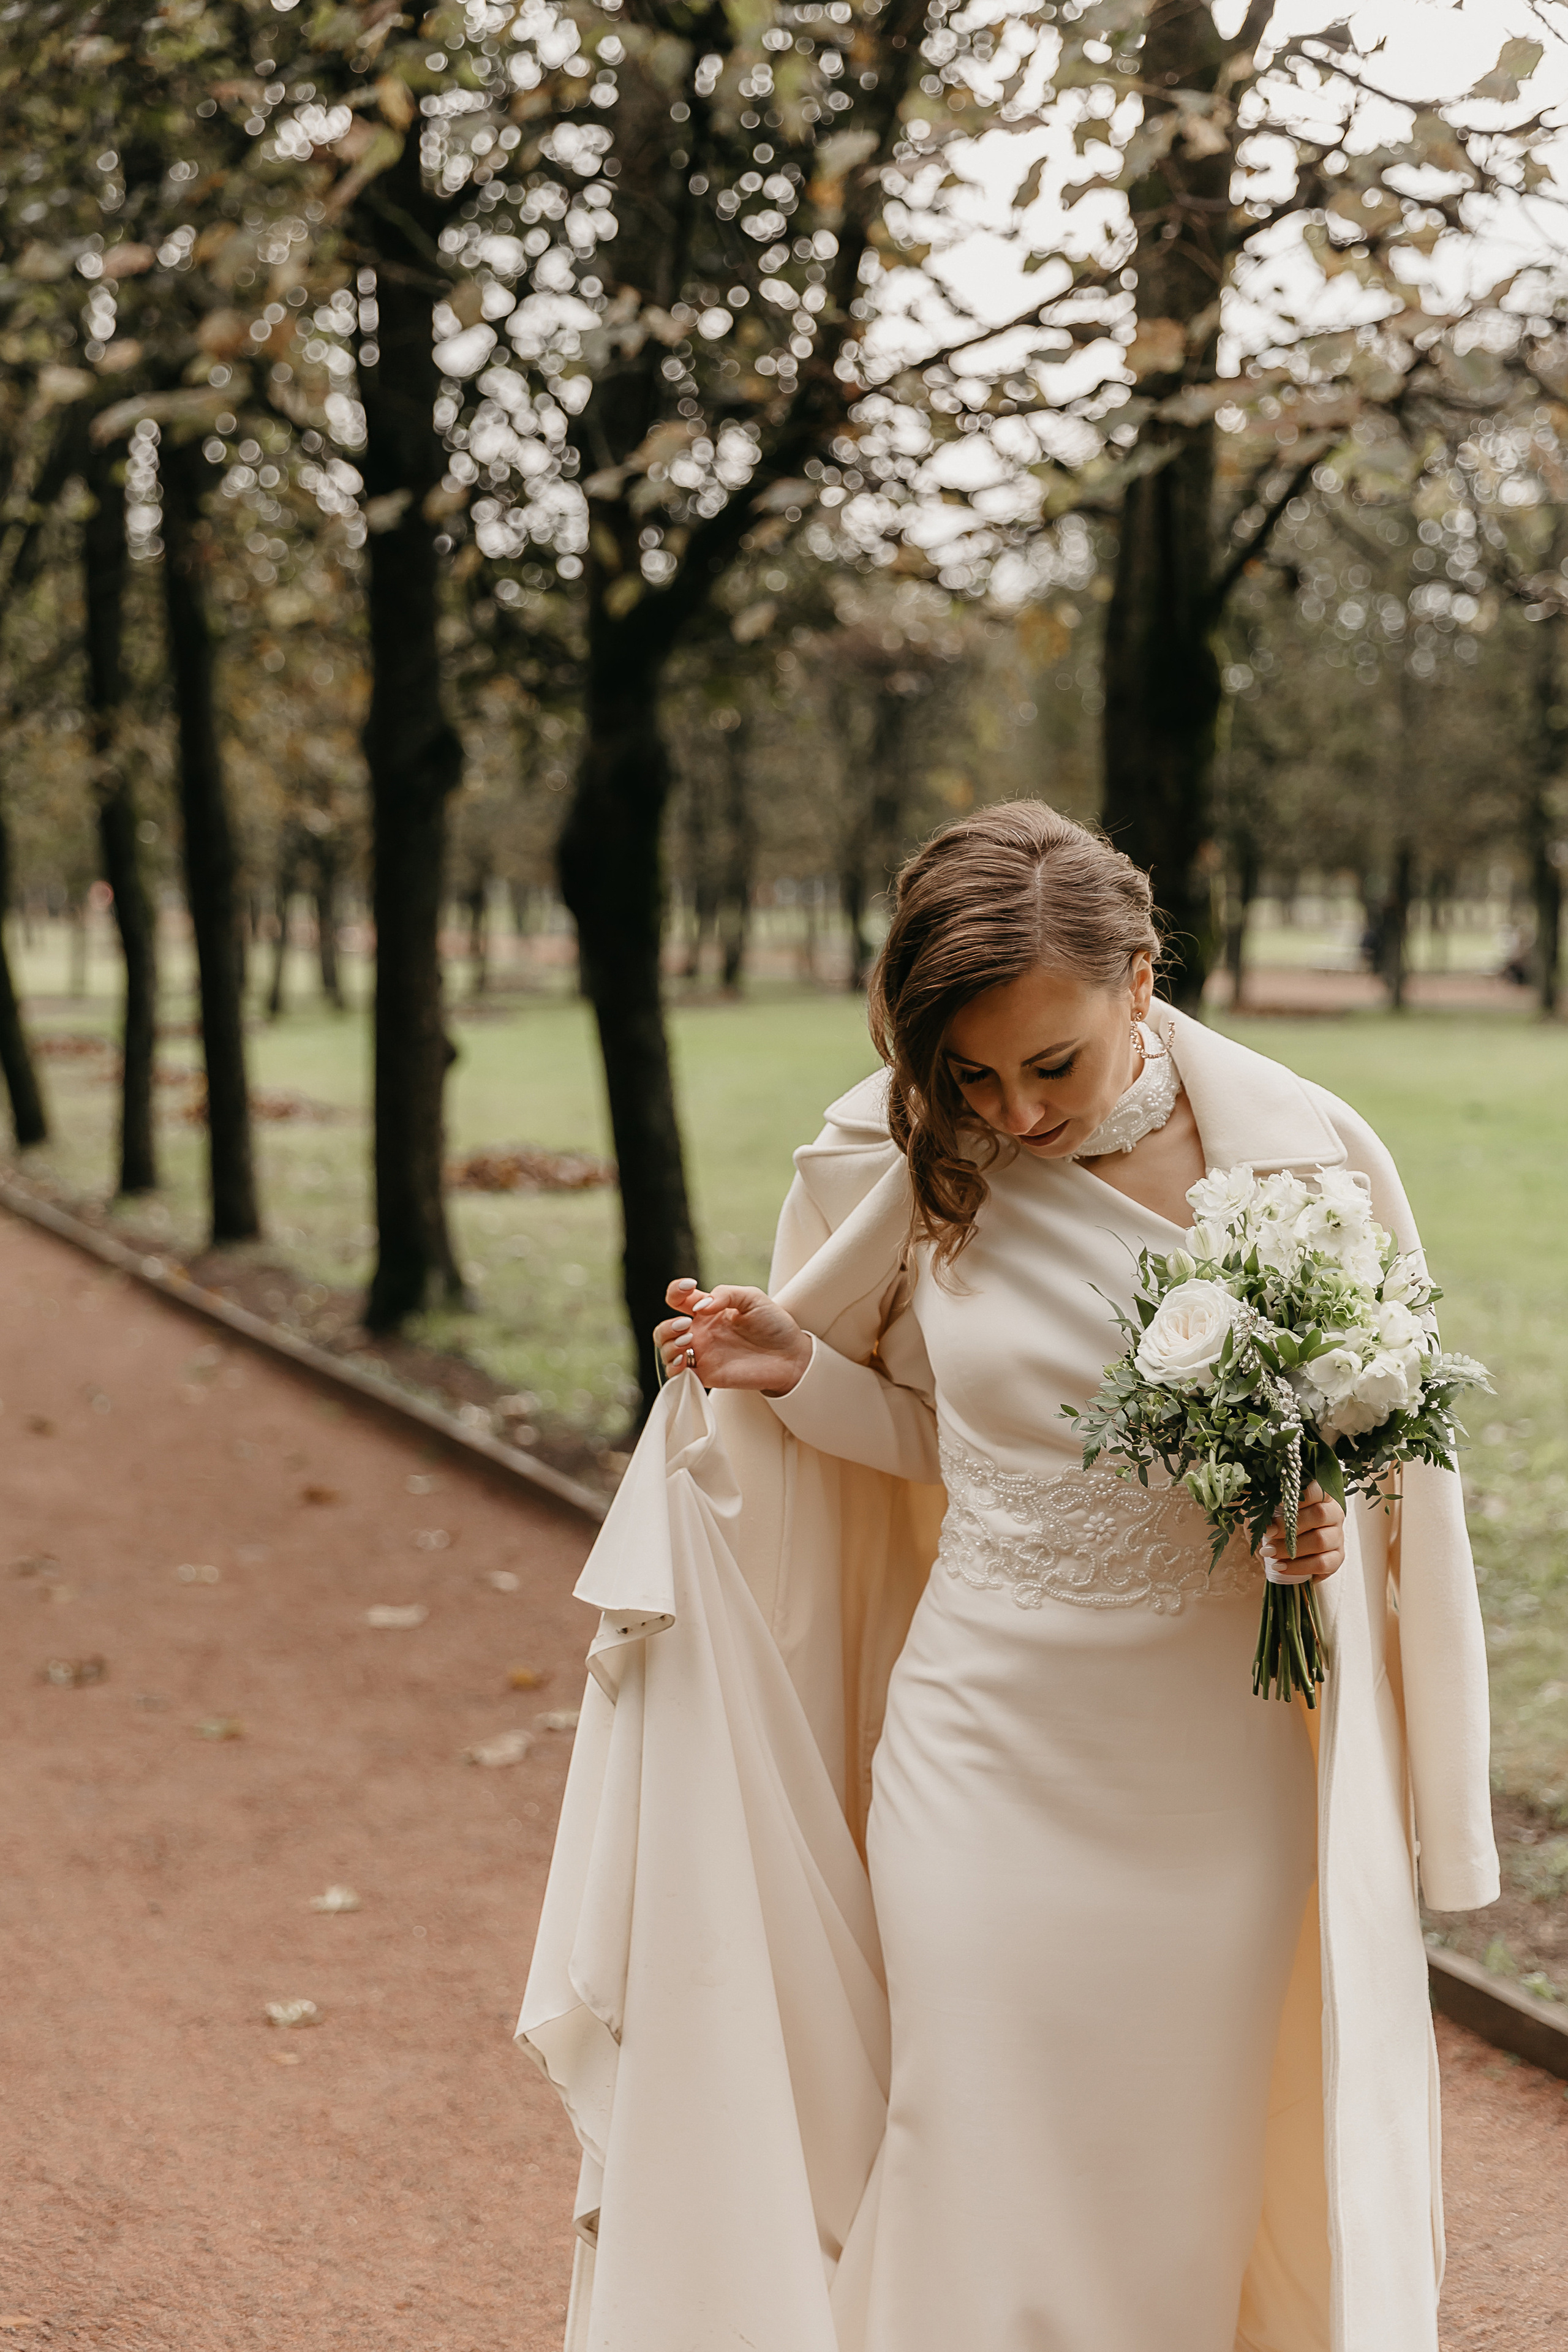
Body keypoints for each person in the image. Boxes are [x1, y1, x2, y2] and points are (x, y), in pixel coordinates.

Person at [520, 802, 1498, 2352]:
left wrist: (1312, 1528)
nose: (1013, 1111)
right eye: (968, 1072)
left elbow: (1370, 1466)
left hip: (1213, 1762)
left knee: (1174, 2168)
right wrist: (789, 1368)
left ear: (1140, 978)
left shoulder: (1302, 1158)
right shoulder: (904, 1158)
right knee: (960, 2135)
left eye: (1051, 1063)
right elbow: (937, 1444)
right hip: (976, 1738)